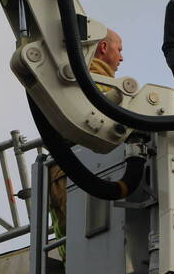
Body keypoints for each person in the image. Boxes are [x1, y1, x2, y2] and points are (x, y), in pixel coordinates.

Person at [47, 29, 124, 253]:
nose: (121, 58)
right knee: (89, 243)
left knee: (73, 245)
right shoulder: (96, 86)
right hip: (83, 168)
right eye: (119, 50)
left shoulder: (72, 80)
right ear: (103, 48)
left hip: (63, 169)